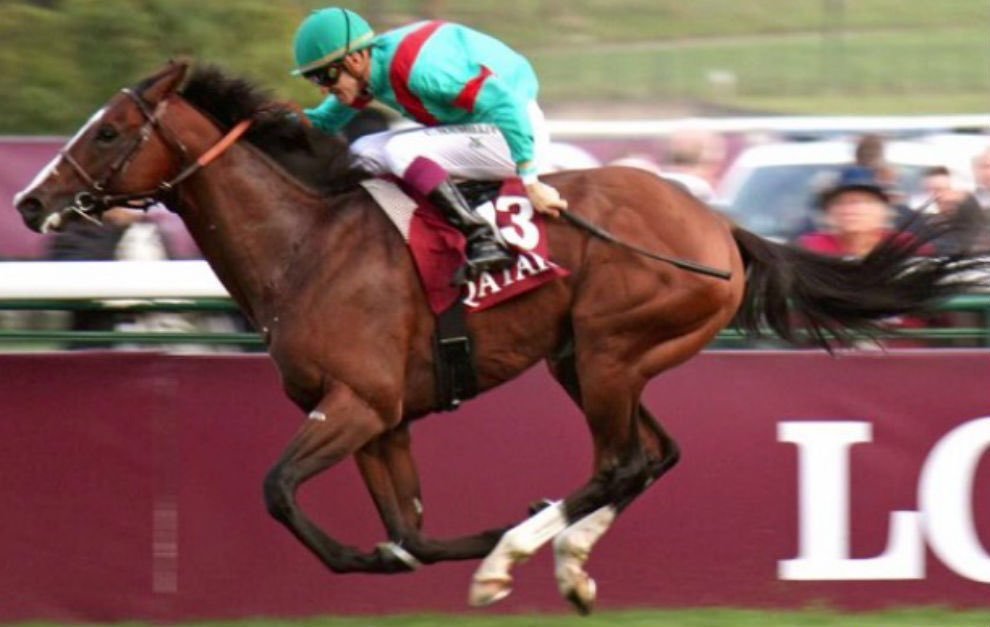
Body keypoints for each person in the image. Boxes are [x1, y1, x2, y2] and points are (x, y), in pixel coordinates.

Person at [291, 7, 567, 275]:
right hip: (478, 129)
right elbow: (323, 122)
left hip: (515, 133)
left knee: (400, 151)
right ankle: (405, 238)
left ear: (354, 60)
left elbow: (507, 106)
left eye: (324, 76)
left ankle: (481, 237)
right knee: (363, 152)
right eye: (312, 78)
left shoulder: (421, 71)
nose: (322, 88)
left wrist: (530, 180)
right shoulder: (369, 74)